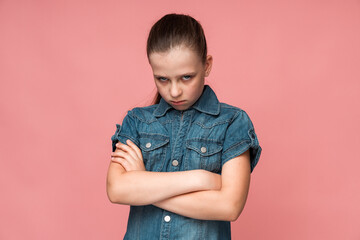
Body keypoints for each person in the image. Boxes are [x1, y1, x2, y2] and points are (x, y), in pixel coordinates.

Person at [106, 13, 262, 240]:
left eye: (186, 77)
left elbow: (229, 206)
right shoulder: (137, 121)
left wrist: (144, 184)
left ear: (207, 66)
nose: (175, 91)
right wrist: (201, 179)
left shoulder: (233, 122)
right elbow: (117, 190)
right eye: (162, 79)